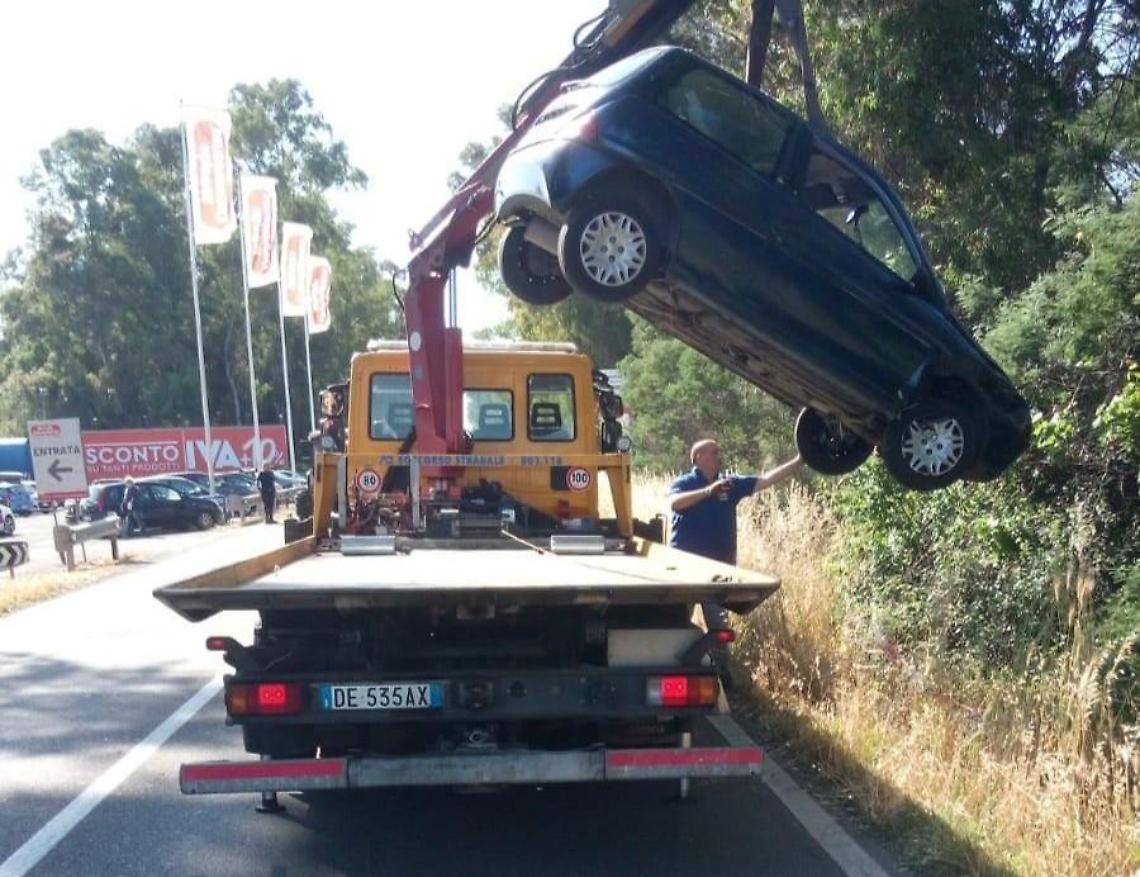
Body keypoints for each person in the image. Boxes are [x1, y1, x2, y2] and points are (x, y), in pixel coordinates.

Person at [669, 439, 802, 630]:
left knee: (720, 630)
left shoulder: (730, 484)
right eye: (714, 452)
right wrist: (708, 492)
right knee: (676, 627)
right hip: (685, 569)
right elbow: (675, 503)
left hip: (718, 573)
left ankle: (720, 660)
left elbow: (765, 480)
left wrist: (798, 461)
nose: (719, 457)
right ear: (699, 456)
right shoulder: (684, 483)